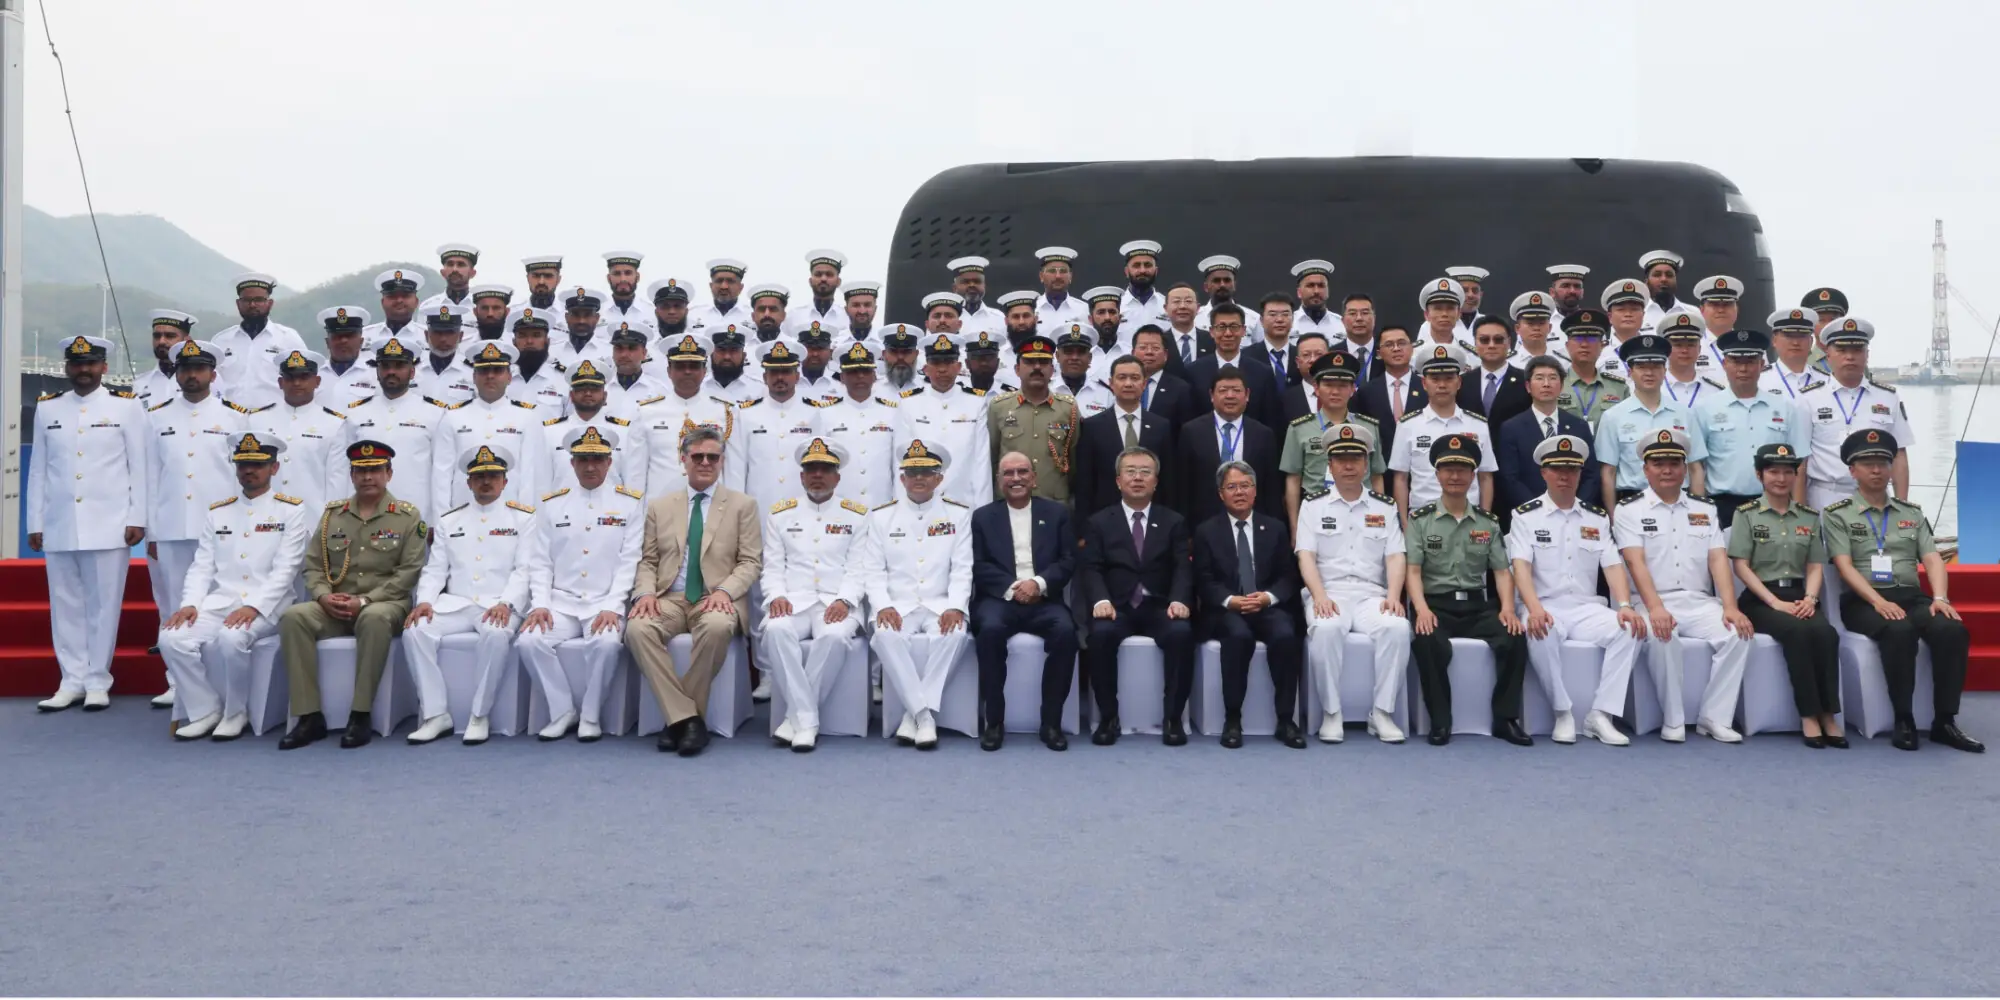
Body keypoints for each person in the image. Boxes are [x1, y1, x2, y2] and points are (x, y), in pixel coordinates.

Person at [1822, 429, 1982, 753]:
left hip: (1910, 595)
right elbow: (1844, 566)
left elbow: (1932, 558)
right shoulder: (1837, 514)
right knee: (1899, 631)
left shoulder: (1911, 513)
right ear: (1853, 471)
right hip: (1864, 600)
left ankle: (1945, 721)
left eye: (1883, 463)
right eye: (1867, 464)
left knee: (1952, 630)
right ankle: (1904, 719)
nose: (1877, 470)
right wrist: (1878, 602)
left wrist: (1940, 598)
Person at [157, 432, 311, 740]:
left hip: (269, 605)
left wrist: (254, 606)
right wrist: (190, 604)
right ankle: (205, 709)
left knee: (231, 638)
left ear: (274, 468)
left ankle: (236, 713)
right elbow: (202, 566)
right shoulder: (219, 512)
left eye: (258, 465)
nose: (249, 471)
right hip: (221, 602)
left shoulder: (291, 511)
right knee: (171, 638)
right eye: (243, 465)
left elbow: (286, 570)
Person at [277, 440, 428, 750]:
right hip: (336, 604)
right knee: (294, 617)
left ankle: (360, 715)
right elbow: (314, 566)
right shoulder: (333, 515)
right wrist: (322, 597)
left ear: (389, 474)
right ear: (352, 475)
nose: (367, 477)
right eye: (360, 471)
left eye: (375, 470)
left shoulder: (407, 516)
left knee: (373, 618)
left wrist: (365, 601)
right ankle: (309, 716)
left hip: (385, 605)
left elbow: (408, 572)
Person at [625, 425, 760, 755]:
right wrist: (645, 594)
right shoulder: (660, 507)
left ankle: (677, 720)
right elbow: (648, 560)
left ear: (722, 461)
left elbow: (750, 562)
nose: (705, 463)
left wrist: (725, 592)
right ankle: (688, 719)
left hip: (715, 597)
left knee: (717, 627)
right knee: (637, 629)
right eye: (697, 457)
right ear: (683, 459)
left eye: (712, 457)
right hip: (669, 597)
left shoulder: (743, 505)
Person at [28, 336, 146, 712]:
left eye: (91, 363)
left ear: (103, 367)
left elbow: (139, 467)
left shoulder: (126, 407)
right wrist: (35, 521)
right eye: (77, 364)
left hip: (109, 524)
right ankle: (71, 679)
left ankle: (97, 679)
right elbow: (38, 470)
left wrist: (137, 517)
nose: (84, 370)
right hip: (60, 523)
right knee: (65, 606)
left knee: (103, 606)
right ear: (67, 367)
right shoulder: (48, 408)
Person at [1614, 428, 1751, 744]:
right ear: (1645, 469)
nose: (1667, 470)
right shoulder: (1629, 509)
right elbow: (1634, 562)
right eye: (1658, 463)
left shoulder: (1705, 508)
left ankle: (1714, 717)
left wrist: (1730, 606)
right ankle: (1673, 718)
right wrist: (1656, 608)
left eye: (1674, 463)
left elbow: (1718, 560)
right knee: (1663, 636)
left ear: (1685, 468)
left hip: (1698, 601)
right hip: (1651, 601)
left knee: (1737, 633)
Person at [1506, 435, 1643, 747]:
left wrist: (1624, 604)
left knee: (1631, 628)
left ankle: (1601, 714)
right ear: (1544, 473)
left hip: (1586, 608)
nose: (1564, 476)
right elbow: (1520, 567)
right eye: (1557, 469)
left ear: (1580, 473)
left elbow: (1613, 565)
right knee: (1541, 630)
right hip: (1544, 605)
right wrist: (1534, 608)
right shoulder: (1525, 516)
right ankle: (1562, 712)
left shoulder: (1596, 518)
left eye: (1571, 469)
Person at [518, 426, 647, 744]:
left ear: (609, 462)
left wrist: (614, 606)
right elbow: (541, 561)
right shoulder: (553, 504)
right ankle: (562, 710)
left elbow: (630, 560)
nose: (591, 467)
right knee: (528, 641)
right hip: (562, 602)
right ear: (572, 463)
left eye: (598, 459)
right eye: (583, 459)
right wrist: (540, 604)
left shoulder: (630, 503)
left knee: (606, 644)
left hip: (604, 601)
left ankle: (590, 715)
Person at [400, 444, 535, 746]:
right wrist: (425, 601)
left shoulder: (523, 519)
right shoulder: (450, 520)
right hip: (457, 603)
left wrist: (507, 603)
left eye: (493, 476)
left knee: (496, 634)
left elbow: (524, 569)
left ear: (505, 481)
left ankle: (479, 714)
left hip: (499, 603)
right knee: (415, 631)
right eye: (479, 477)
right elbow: (436, 568)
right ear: (469, 482)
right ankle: (436, 715)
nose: (486, 481)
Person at [143, 340, 250, 706]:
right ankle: (177, 682)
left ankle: (218, 679)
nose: (192, 375)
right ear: (177, 374)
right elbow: (150, 476)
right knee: (173, 603)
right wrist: (151, 529)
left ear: (212, 374)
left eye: (199, 369)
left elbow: (242, 476)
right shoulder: (156, 416)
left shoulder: (235, 417)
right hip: (171, 525)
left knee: (220, 602)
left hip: (219, 527)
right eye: (185, 369)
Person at [1405, 435, 1530, 746]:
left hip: (1477, 606)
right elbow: (1413, 571)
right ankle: (1440, 721)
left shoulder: (1488, 523)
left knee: (1514, 637)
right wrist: (1421, 609)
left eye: (1462, 470)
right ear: (1437, 474)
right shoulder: (1420, 521)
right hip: (1436, 605)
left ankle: (1505, 719)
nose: (1455, 476)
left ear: (1473, 475)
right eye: (1448, 469)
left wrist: (1507, 608)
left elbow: (1501, 571)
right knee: (1428, 642)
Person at [851, 440, 975, 750]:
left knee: (956, 634)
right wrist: (883, 606)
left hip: (940, 604)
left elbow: (962, 568)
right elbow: (873, 570)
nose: (919, 478)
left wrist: (956, 606)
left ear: (939, 478)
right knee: (884, 635)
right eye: (912, 472)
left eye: (927, 472)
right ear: (902, 478)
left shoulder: (958, 514)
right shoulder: (882, 516)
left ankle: (913, 715)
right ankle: (925, 715)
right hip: (898, 605)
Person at [1295, 424, 1410, 744]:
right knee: (1327, 628)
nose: (1349, 466)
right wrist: (1319, 596)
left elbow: (1395, 556)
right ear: (1330, 465)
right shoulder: (1313, 505)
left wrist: (1394, 596)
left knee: (1397, 627)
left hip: (1371, 595)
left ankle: (1381, 713)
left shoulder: (1384, 506)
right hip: (1329, 593)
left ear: (1366, 464)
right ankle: (1332, 713)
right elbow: (1305, 556)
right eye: (1341, 459)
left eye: (1356, 459)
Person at [1078, 446, 1196, 745]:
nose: (1138, 478)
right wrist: (1101, 600)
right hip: (1116, 606)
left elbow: (1183, 567)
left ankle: (1173, 719)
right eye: (1130, 472)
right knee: (1100, 636)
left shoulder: (1173, 521)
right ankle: (1108, 717)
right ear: (1118, 480)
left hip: (1160, 606)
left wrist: (1179, 600)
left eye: (1145, 472)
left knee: (1181, 634)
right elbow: (1091, 568)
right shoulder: (1099, 522)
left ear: (1156, 481)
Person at [1727, 443, 1842, 747]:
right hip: (1761, 598)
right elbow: (1741, 566)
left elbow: (1814, 566)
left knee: (1826, 633)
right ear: (1760, 475)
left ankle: (1828, 714)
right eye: (1773, 472)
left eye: (1787, 472)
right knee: (1797, 633)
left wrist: (1811, 599)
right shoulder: (1746, 514)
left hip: (1799, 595)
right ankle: (1809, 715)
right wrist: (1775, 602)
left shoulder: (1808, 516)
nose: (1781, 478)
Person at [757, 437, 867, 752]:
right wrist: (776, 595)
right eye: (811, 469)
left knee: (833, 637)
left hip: (836, 601)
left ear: (837, 477)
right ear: (802, 476)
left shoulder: (856, 515)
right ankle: (807, 719)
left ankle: (795, 719)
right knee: (776, 630)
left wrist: (845, 600)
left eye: (825, 469)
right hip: (794, 600)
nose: (818, 474)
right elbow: (772, 567)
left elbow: (859, 568)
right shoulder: (780, 514)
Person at [970, 452, 1079, 752]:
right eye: (1008, 473)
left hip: (1044, 598)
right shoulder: (982, 517)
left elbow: (1068, 560)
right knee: (989, 631)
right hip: (999, 599)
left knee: (1066, 632)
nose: (1015, 478)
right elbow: (978, 564)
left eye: (1022, 472)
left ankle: (1051, 723)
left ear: (1034, 478)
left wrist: (1038, 584)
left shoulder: (1057, 513)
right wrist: (1013, 588)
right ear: (998, 481)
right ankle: (994, 722)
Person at [1192, 462, 1305, 749]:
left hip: (1267, 606)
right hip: (1227, 609)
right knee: (1238, 637)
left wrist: (1268, 597)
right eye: (1231, 487)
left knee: (1285, 635)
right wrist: (1230, 600)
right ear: (1221, 494)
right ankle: (1232, 718)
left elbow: (1288, 576)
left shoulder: (1275, 528)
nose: (1239, 492)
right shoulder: (1206, 531)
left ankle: (1285, 719)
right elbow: (1203, 580)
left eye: (1245, 486)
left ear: (1255, 491)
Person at [1693, 329, 1810, 527]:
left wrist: (1798, 515)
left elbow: (1799, 464)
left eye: (1750, 361)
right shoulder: (1704, 409)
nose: (1743, 369)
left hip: (1775, 504)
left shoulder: (1785, 408)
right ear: (1724, 364)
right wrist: (1700, 515)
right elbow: (1696, 466)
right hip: (1723, 507)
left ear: (1762, 365)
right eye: (1736, 361)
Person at [1798, 318, 1912, 509]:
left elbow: (1899, 454)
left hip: (1876, 498)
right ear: (1828, 355)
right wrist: (1801, 513)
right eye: (1842, 350)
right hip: (1825, 495)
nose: (1850, 357)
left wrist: (1902, 507)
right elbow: (1801, 460)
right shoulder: (1809, 398)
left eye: (1857, 350)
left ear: (1867, 355)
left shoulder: (1888, 397)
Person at [431, 340, 549, 512]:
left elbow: (531, 475)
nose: (490, 376)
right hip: (462, 514)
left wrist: (525, 518)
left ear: (509, 377)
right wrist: (443, 519)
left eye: (498, 370)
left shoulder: (527, 417)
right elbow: (441, 474)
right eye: (484, 370)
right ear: (474, 377)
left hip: (511, 515)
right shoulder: (453, 416)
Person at [346, 337, 452, 519]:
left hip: (416, 514)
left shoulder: (434, 413)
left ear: (412, 372)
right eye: (385, 366)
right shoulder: (356, 413)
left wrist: (439, 520)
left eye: (399, 366)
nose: (391, 372)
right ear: (377, 371)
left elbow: (441, 472)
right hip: (366, 515)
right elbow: (347, 470)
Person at [1388, 342, 1497, 518]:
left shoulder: (1478, 424)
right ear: (1424, 383)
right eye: (1435, 379)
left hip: (1469, 517)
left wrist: (1485, 520)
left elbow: (1485, 477)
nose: (1442, 385)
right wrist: (1405, 525)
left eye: (1448, 378)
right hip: (1423, 518)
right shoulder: (1407, 425)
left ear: (1459, 382)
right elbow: (1400, 478)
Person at [1280, 350, 1385, 530]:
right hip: (1317, 514)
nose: (1335, 391)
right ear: (1316, 388)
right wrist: (1296, 528)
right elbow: (1293, 480)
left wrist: (1378, 522)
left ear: (1353, 389)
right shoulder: (1300, 428)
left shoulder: (1368, 427)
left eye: (1343, 385)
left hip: (1362, 511)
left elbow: (1376, 477)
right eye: (1328, 384)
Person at [1595, 334, 1704, 504]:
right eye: (1641, 367)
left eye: (1655, 366)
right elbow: (1608, 472)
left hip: (1679, 502)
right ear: (1630, 372)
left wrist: (1699, 511)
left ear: (1665, 371)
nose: (1649, 373)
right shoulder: (1613, 417)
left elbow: (1695, 469)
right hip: (1631, 502)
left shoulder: (1684, 414)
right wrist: (1612, 516)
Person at [1496, 356, 1603, 516]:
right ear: (1528, 386)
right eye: (1539, 378)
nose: (1546, 384)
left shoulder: (1578, 426)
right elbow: (1510, 478)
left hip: (1575, 513)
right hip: (1530, 514)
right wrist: (1538, 509)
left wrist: (1575, 506)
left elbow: (1591, 474)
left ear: (1561, 386)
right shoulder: (1511, 428)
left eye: (1552, 378)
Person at [894, 333, 993, 507]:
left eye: (948, 362)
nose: (942, 369)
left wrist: (983, 511)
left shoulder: (976, 402)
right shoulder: (909, 403)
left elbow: (982, 462)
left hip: (965, 503)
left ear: (959, 367)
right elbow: (901, 461)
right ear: (926, 368)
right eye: (936, 363)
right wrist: (903, 508)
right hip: (922, 503)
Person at [631, 334, 736, 498]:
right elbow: (635, 472)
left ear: (704, 371)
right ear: (669, 371)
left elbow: (732, 471)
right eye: (680, 366)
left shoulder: (723, 411)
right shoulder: (647, 412)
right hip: (660, 505)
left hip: (711, 506)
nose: (687, 371)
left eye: (694, 366)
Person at [727, 338, 824, 511]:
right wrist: (736, 512)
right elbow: (736, 469)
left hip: (804, 510)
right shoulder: (744, 414)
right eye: (773, 372)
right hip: (759, 509)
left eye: (786, 371)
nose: (780, 377)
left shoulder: (816, 413)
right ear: (765, 377)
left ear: (797, 376)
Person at [248, 349, 352, 512]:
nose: (296, 383)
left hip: (311, 517)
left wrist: (330, 521)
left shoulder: (334, 424)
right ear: (280, 382)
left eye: (304, 377)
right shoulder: (257, 420)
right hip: (263, 515)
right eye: (290, 378)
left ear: (317, 381)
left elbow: (336, 481)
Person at [983, 335, 1078, 505]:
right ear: (1017, 369)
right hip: (1010, 502)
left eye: (1043, 362)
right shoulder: (999, 407)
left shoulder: (1068, 408)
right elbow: (992, 458)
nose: (1037, 367)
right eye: (1029, 362)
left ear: (1052, 370)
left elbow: (1075, 460)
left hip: (1054, 503)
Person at [1075, 355, 1174, 517]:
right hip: (1103, 516)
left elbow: (1168, 479)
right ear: (1111, 383)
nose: (1128, 383)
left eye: (1134, 378)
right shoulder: (1092, 426)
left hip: (1151, 515)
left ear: (1144, 384)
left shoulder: (1161, 426)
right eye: (1122, 378)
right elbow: (1085, 481)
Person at [817, 342, 900, 509]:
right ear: (842, 377)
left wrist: (897, 505)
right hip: (840, 507)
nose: (860, 376)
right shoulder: (824, 413)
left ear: (874, 376)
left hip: (882, 505)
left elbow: (898, 465)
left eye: (865, 371)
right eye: (853, 372)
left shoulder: (893, 412)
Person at [211, 273, 308, 411]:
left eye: (259, 300)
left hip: (274, 417)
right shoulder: (221, 341)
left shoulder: (288, 338)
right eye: (246, 300)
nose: (252, 305)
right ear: (238, 304)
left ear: (270, 303)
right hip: (229, 417)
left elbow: (305, 380)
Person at [1184, 303, 1284, 433]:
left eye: (1234, 327)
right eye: (1221, 327)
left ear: (1243, 330)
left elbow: (1270, 421)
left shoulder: (1262, 373)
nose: (1228, 333)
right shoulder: (1194, 372)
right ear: (1212, 332)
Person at [541, 360, 635, 494]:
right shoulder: (549, 432)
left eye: (594, 389)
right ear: (571, 396)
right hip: (562, 506)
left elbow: (632, 481)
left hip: (611, 506)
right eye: (581, 389)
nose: (588, 393)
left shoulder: (625, 432)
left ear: (605, 396)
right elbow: (542, 483)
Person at [1556, 308, 1625, 430]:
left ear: (1602, 346)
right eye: (1578, 338)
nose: (1584, 344)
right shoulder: (1554, 384)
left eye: (1592, 338)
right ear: (1567, 346)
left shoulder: (1619, 387)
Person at [502, 306, 571, 415]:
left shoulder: (564, 380)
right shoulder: (500, 377)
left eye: (536, 335)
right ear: (514, 342)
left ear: (547, 341)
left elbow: (571, 420)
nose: (529, 341)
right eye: (522, 335)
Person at [1461, 317, 1529, 427]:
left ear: (1509, 342)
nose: (1491, 345)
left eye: (1498, 340)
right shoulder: (1462, 382)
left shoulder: (1526, 380)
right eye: (1484, 340)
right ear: (1475, 343)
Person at [410, 304, 478, 405]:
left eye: (450, 332)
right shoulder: (411, 370)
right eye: (437, 332)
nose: (443, 339)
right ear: (426, 335)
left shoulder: (473, 373)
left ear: (460, 336)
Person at [1759, 308, 1827, 401]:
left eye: (1802, 336)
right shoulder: (1758, 380)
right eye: (1789, 336)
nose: (1795, 343)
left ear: (1811, 342)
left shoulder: (1827, 381)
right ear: (1774, 340)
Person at [135, 309, 199, 408]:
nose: (161, 341)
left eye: (170, 336)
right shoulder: (139, 384)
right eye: (157, 336)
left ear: (187, 340)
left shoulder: (203, 381)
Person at [604, 324, 671, 415]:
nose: (624, 354)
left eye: (632, 348)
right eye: (619, 348)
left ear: (644, 353)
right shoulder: (601, 390)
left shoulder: (659, 391)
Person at [1194, 255, 1263, 341]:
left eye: (1227, 280)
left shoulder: (1253, 319)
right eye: (1216, 281)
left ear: (1234, 285)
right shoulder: (1194, 319)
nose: (1222, 284)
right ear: (1206, 287)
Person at [786, 250, 849, 338]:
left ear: (838, 282)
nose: (823, 279)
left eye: (829, 274)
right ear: (810, 281)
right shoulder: (793, 317)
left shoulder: (847, 317)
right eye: (818, 274)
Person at [551, 286, 612, 373]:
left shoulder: (610, 352)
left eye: (588, 315)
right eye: (575, 314)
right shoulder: (551, 352)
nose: (581, 321)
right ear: (566, 317)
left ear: (597, 318)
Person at [361, 268, 426, 349]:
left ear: (416, 301)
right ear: (382, 302)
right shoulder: (363, 336)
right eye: (392, 296)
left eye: (405, 296)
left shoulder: (429, 337)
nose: (399, 300)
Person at [1639, 249, 1698, 334]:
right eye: (1657, 275)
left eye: (1669, 275)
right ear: (1646, 281)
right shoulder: (1636, 315)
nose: (1664, 279)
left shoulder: (1693, 313)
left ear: (1675, 280)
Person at [688, 259, 752, 337]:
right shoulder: (692, 315)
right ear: (711, 286)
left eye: (730, 281)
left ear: (741, 287)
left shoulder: (752, 317)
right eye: (719, 281)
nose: (724, 286)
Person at [1031, 247, 1088, 334]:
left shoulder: (1084, 310)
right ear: (1041, 276)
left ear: (1070, 276)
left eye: (1063, 271)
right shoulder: (1031, 310)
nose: (1058, 276)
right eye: (1052, 271)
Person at [599, 251, 654, 335]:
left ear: (637, 277)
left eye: (628, 273)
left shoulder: (652, 313)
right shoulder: (598, 312)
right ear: (609, 278)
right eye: (617, 274)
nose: (623, 279)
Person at [1291, 260, 1346, 340]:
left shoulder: (1342, 324)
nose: (1316, 291)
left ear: (1328, 291)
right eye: (1310, 285)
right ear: (1299, 292)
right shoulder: (1288, 324)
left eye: (1321, 285)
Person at [419, 243, 479, 313]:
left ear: (472, 273)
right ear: (442, 272)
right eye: (450, 264)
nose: (454, 269)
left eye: (461, 265)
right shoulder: (428, 307)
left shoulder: (481, 307)